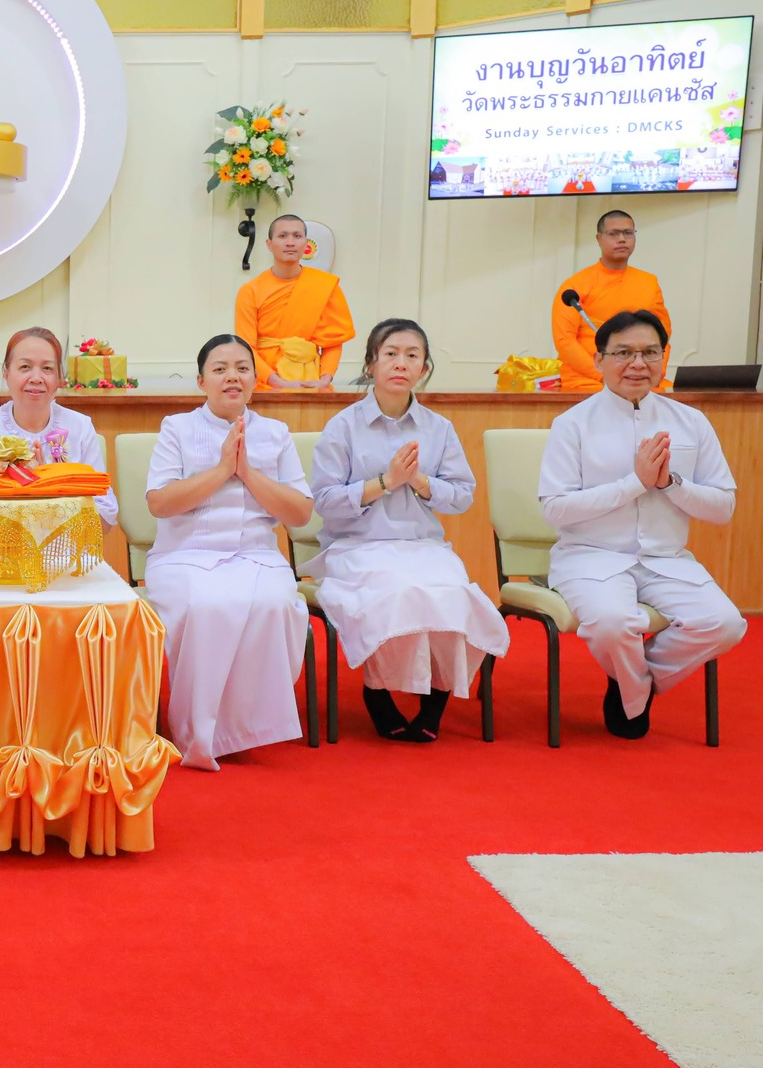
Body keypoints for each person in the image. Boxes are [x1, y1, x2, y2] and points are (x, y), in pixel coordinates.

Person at [539, 309, 746, 739]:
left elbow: (723, 507)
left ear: (663, 358)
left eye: (650, 352)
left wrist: (670, 482)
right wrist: (635, 483)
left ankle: (632, 682)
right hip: (590, 557)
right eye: (624, 353)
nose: (638, 364)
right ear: (599, 361)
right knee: (614, 624)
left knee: (725, 624)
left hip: (665, 559)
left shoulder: (691, 422)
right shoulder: (572, 425)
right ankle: (632, 685)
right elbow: (556, 509)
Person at [305, 319, 509, 742]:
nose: (401, 363)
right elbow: (322, 501)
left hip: (422, 545)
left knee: (453, 592)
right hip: (359, 546)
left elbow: (463, 496)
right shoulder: (343, 427)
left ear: (424, 367)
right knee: (398, 592)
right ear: (371, 363)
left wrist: (420, 483)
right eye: (391, 354)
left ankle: (436, 698)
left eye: (412, 355)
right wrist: (386, 481)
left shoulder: (439, 428)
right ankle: (377, 692)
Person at [142, 334, 314, 768]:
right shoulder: (176, 428)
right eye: (219, 369)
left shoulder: (275, 433)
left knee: (275, 604)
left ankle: (246, 727)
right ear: (201, 381)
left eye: (241, 368)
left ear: (256, 380)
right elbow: (159, 502)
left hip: (257, 554)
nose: (231, 377)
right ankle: (198, 731)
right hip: (185, 556)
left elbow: (300, 514)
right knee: (208, 604)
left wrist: (248, 473)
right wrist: (221, 470)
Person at [0, 327, 118, 525]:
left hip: (64, 551)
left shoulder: (80, 427)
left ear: (59, 379)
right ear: (6, 373)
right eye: (25, 367)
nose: (36, 378)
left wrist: (50, 489)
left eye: (47, 369)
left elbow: (105, 519)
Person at [233, 213, 355, 390]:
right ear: (269, 244)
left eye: (297, 236)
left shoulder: (325, 286)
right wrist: (277, 382)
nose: (290, 242)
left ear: (306, 244)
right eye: (282, 236)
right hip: (265, 384)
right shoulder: (250, 291)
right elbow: (245, 347)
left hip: (312, 383)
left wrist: (324, 380)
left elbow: (333, 342)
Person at [553, 210, 671, 392]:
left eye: (628, 233)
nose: (622, 239)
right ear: (599, 238)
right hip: (590, 380)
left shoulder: (649, 282)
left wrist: (654, 374)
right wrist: (604, 374)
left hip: (640, 377)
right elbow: (564, 340)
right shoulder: (575, 286)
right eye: (614, 234)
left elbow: (663, 336)